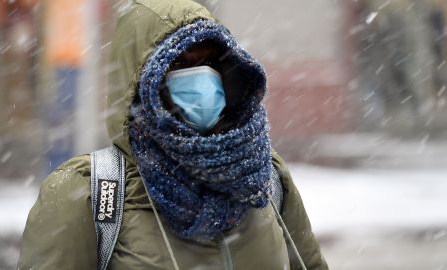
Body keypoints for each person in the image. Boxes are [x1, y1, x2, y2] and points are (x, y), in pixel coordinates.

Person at [18, 0, 329, 269]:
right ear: (142, 84)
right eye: (180, 63)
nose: (202, 79)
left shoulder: (266, 179)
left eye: (211, 62)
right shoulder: (89, 194)